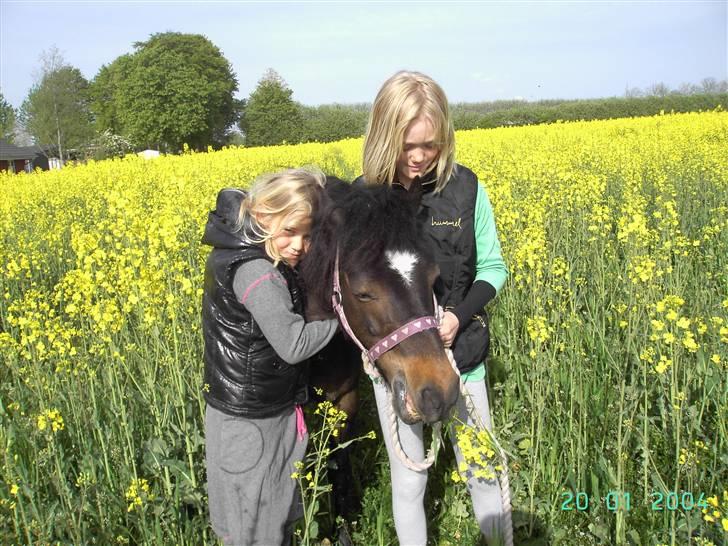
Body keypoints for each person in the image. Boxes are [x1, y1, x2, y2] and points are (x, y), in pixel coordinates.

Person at [354, 71, 509, 545]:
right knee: (410, 480)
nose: (419, 157)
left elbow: (494, 268)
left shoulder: (466, 190)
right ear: (384, 136)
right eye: (407, 145)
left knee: (482, 471)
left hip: (463, 356)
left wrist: (458, 316)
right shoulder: (363, 199)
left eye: (432, 145)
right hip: (399, 365)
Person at [201, 167, 339, 546]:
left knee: (256, 521)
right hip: (252, 423)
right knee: (257, 526)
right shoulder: (257, 272)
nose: (299, 246)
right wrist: (340, 319)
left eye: (308, 235)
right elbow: (292, 344)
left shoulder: (235, 253)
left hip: (246, 415)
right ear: (262, 217)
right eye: (290, 232)